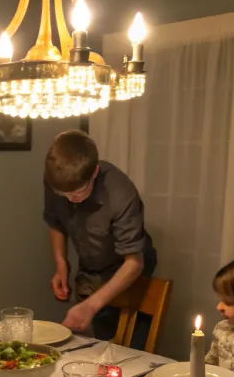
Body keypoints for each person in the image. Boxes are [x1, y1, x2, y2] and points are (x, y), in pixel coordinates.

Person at [43, 130, 156, 347]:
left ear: (94, 172)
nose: (71, 200)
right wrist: (61, 262)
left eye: (77, 193)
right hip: (89, 269)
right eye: (63, 195)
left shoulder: (121, 194)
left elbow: (134, 262)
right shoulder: (56, 180)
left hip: (128, 272)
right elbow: (54, 220)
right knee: (86, 350)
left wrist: (92, 305)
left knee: (122, 355)